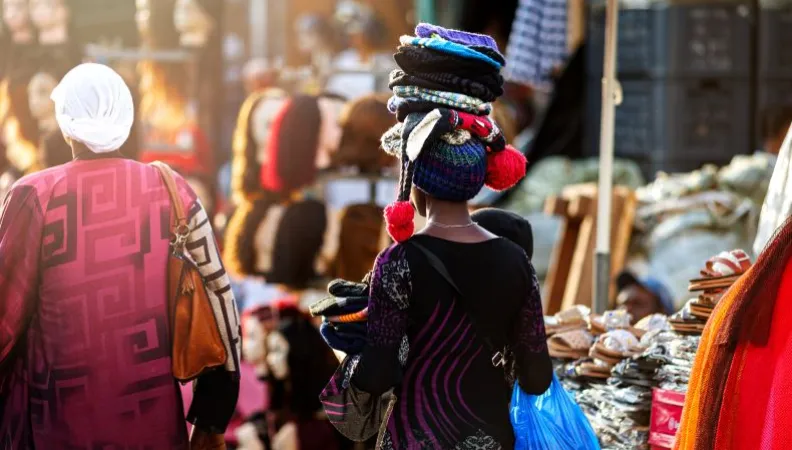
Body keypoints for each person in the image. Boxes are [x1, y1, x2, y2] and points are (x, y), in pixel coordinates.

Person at [320, 27, 551, 449]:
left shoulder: (397, 263)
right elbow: (537, 379)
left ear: (416, 182)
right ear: (481, 179)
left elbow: (378, 374)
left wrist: (345, 343)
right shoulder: (515, 260)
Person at [0, 63, 241, 449]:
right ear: (126, 118)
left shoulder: (35, 195)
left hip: (53, 425)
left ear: (65, 123)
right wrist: (212, 420)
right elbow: (220, 304)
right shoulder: (172, 190)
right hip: (152, 428)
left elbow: (5, 317)